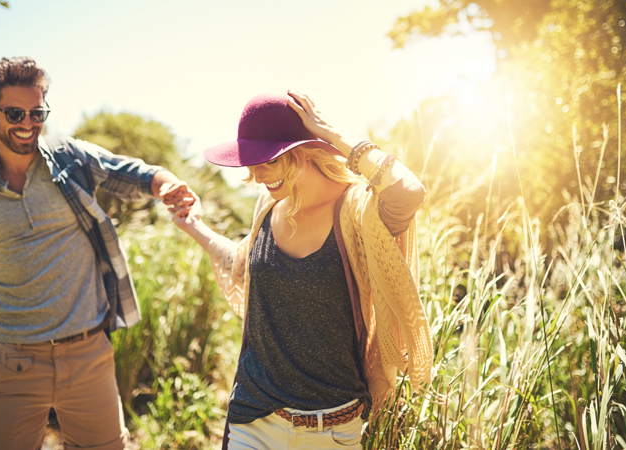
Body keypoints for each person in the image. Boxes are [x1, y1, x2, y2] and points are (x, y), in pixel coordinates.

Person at [0, 57, 194, 450]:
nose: (28, 123)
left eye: (37, 113)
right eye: (15, 113)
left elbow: (133, 173)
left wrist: (169, 186)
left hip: (87, 356)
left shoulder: (71, 158)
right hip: (10, 361)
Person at [173, 91, 434, 449]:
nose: (257, 175)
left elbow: (408, 192)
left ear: (304, 151)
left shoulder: (356, 212)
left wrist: (332, 135)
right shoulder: (268, 206)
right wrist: (194, 226)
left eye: (268, 161)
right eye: (251, 163)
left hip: (334, 430)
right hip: (254, 418)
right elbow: (241, 264)